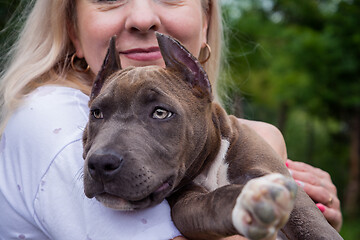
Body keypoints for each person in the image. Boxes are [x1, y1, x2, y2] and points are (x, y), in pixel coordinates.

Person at [0, 0, 342, 239]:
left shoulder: (203, 126)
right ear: (71, 29)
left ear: (205, 21)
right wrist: (272, 162)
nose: (142, 17)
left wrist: (311, 219)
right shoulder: (45, 118)